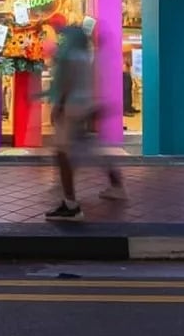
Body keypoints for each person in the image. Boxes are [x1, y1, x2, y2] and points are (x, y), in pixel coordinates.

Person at [45, 25, 126, 221]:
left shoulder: (68, 56)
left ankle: (70, 204)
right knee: (88, 147)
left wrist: (58, 106)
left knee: (63, 153)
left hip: (71, 108)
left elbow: (65, 84)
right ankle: (116, 185)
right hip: (85, 106)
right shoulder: (86, 57)